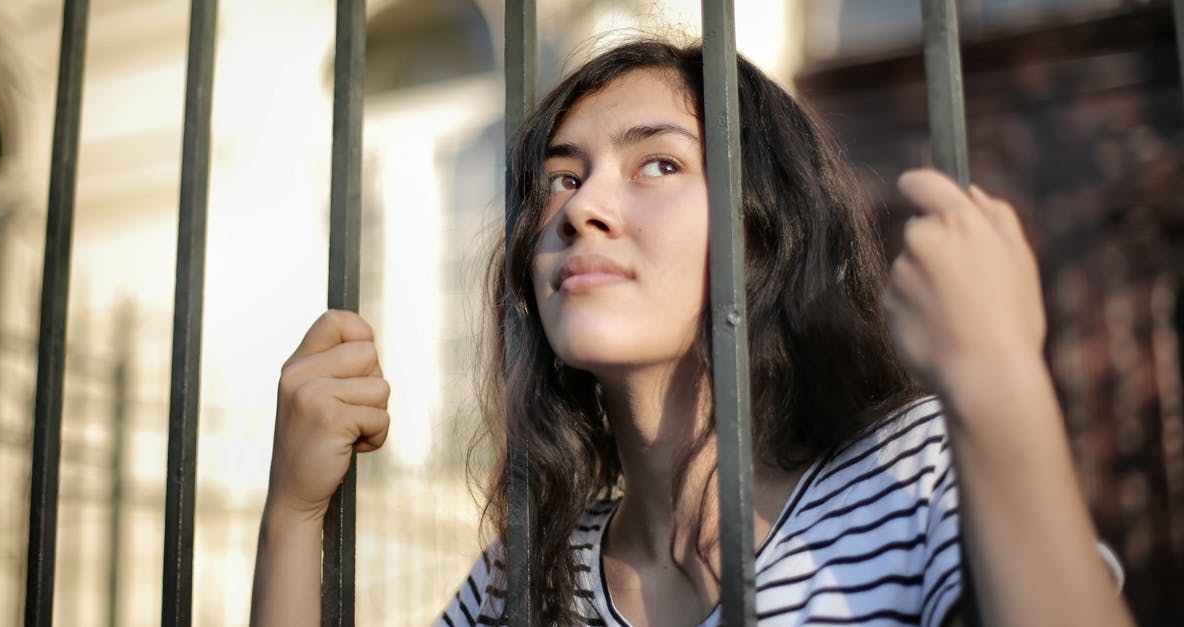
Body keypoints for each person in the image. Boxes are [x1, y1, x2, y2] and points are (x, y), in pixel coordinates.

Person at [250, 40, 1135, 627]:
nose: (583, 207)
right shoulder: (524, 574)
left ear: (761, 229)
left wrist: (1002, 385)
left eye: (659, 164)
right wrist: (293, 513)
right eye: (561, 178)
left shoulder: (910, 471)